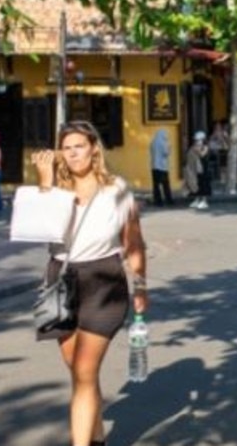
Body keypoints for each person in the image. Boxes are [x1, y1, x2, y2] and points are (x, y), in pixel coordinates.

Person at [29, 121, 148, 446]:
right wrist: (45, 183)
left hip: (104, 280)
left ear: (94, 148)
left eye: (79, 146)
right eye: (66, 148)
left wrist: (140, 286)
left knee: (83, 370)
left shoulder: (117, 189)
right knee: (79, 371)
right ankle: (96, 440)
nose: (73, 153)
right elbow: (39, 232)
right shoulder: (53, 190)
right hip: (61, 281)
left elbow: (134, 242)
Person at [184, 131, 210, 210]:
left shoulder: (205, 147)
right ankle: (197, 199)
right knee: (196, 184)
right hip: (195, 169)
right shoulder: (194, 147)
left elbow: (202, 155)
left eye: (198, 140)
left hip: (203, 169)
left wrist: (199, 149)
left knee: (203, 185)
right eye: (195, 140)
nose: (196, 142)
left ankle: (204, 201)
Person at [149, 128, 174, 206]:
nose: (166, 136)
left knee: (156, 185)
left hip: (154, 166)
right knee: (165, 184)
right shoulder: (163, 143)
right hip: (163, 167)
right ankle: (168, 200)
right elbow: (166, 153)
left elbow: (151, 152)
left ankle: (158, 201)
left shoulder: (153, 142)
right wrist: (170, 148)